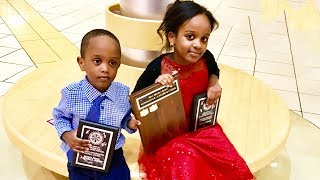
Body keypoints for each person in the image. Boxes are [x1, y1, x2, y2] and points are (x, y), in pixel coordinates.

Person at [133, 1, 254, 179]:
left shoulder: (206, 58)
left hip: (202, 128)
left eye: (204, 38)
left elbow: (214, 69)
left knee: (230, 162)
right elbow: (136, 98)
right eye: (190, 37)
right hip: (170, 136)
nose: (198, 45)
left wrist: (214, 82)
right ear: (172, 37)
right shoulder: (158, 66)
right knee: (185, 168)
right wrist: (156, 87)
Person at [52, 29, 140, 180]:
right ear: (82, 63)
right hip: (80, 156)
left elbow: (124, 118)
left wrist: (129, 123)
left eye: (112, 63)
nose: (105, 68)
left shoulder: (122, 92)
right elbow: (59, 118)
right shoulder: (71, 93)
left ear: (118, 65)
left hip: (113, 156)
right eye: (97, 61)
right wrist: (67, 135)